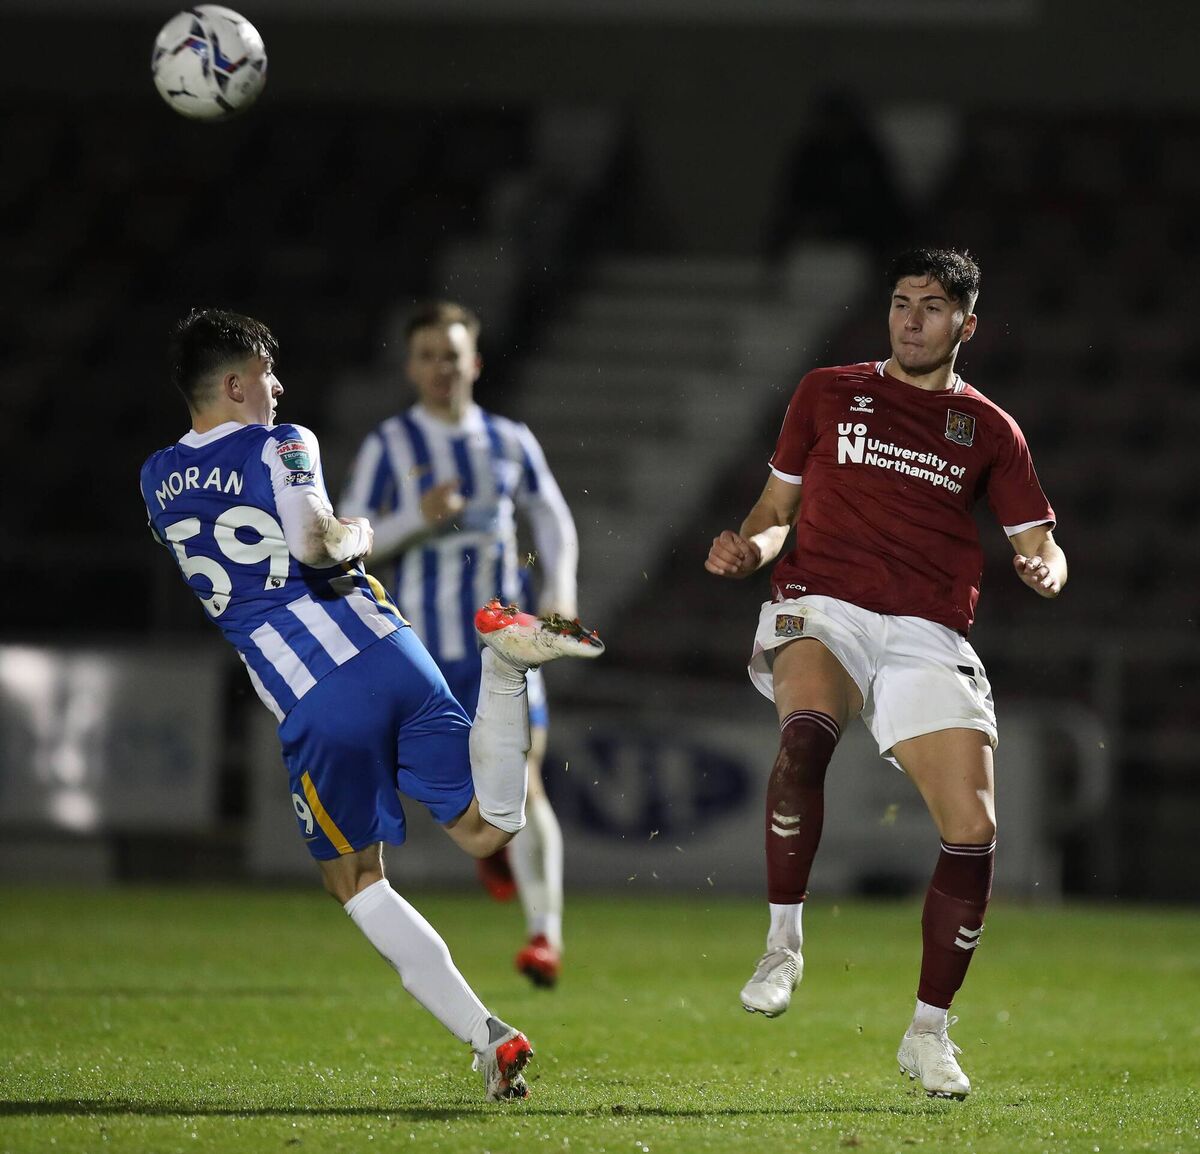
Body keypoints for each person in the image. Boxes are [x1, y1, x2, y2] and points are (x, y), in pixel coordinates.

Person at [139, 308, 603, 1101]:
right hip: (391, 646)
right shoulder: (284, 442)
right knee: (489, 825)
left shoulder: (152, 479)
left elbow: (294, 549)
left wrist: (351, 530)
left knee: (355, 880)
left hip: (313, 692)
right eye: (267, 374)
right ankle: (502, 671)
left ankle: (487, 1035)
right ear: (234, 384)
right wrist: (354, 532)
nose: (279, 388)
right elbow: (321, 542)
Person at [705, 248, 1066, 1100]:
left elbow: (1037, 541)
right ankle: (783, 945)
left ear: (964, 325)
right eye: (902, 302)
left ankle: (928, 1034)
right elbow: (773, 514)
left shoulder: (990, 430)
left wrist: (1047, 566)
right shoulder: (826, 391)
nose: (910, 318)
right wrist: (748, 549)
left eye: (932, 307)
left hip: (926, 632)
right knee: (805, 734)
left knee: (973, 831)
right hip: (822, 603)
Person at [341, 301, 580, 988]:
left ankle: (545, 938)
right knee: (455, 794)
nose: (442, 367)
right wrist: (418, 518)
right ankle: (492, 848)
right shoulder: (392, 445)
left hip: (501, 647)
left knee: (529, 784)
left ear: (474, 361)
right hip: (423, 653)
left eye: (453, 354)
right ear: (411, 366)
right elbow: (347, 538)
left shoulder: (509, 440)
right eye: (428, 356)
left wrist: (560, 595)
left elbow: (553, 518)